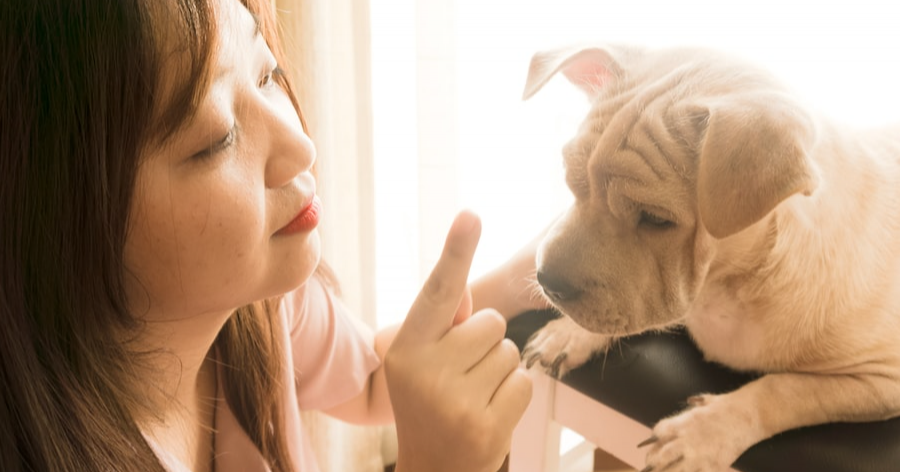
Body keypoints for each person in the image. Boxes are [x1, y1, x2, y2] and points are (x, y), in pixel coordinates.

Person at [0, 1, 548, 471]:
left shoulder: (263, 310)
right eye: (218, 136)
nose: (301, 147)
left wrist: (531, 274)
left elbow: (377, 381)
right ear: (67, 220)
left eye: (267, 75)